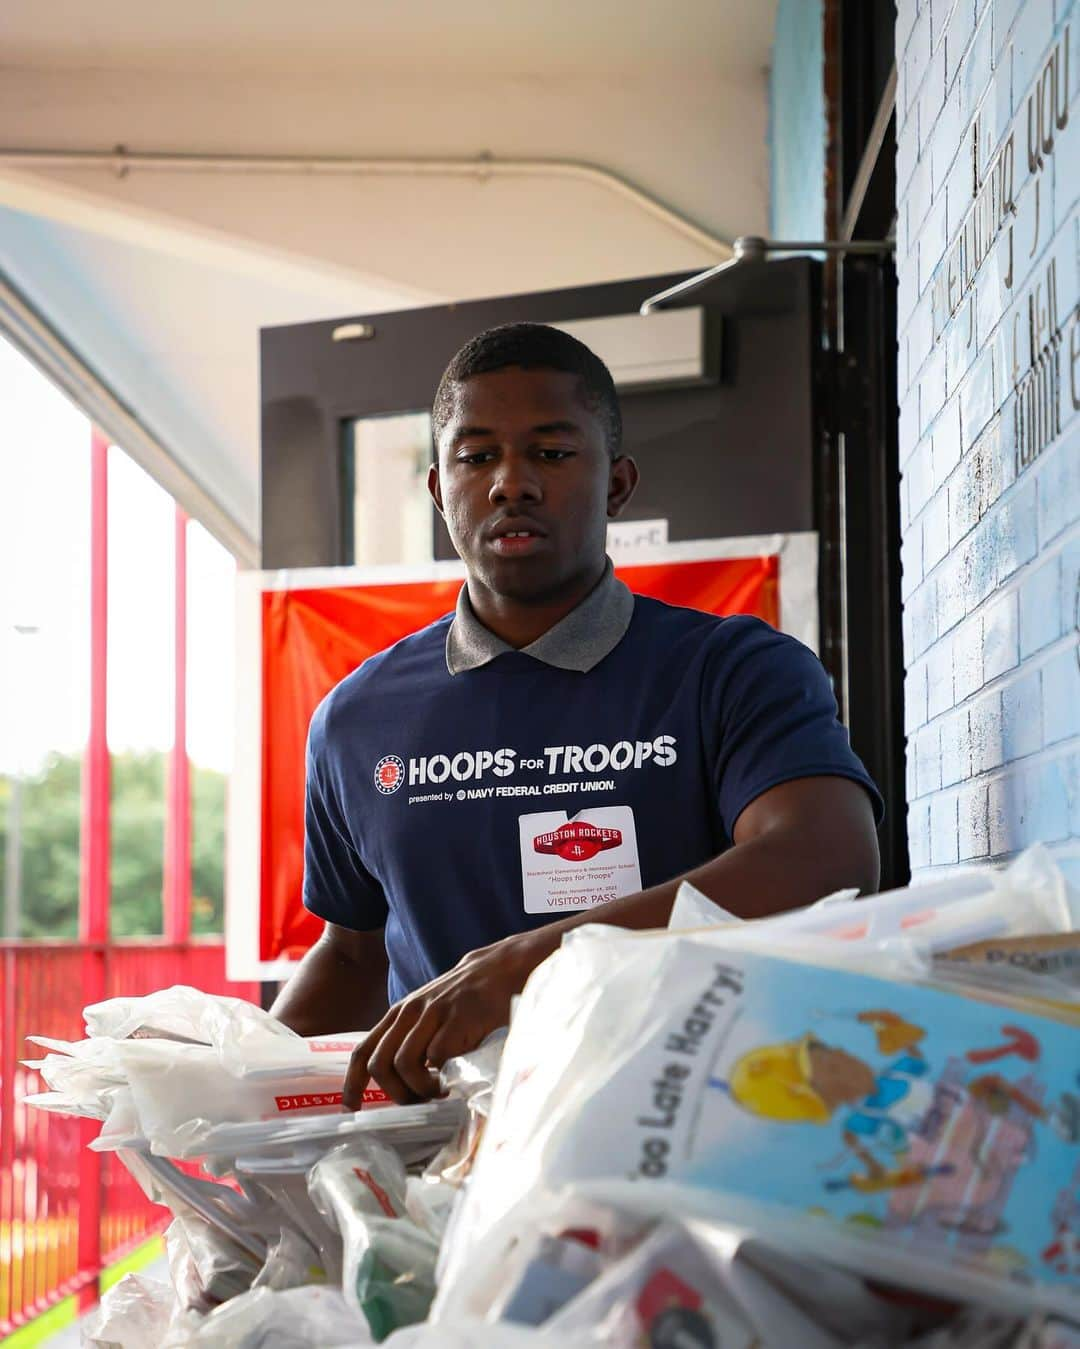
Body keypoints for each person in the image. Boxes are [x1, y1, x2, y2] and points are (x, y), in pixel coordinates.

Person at [271, 322, 882, 1105]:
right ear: (437, 488)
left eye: (552, 453)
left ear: (618, 483)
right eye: (477, 455)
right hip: (440, 1177)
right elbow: (354, 958)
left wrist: (530, 966)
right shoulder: (357, 719)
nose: (511, 483)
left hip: (686, 1133)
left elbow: (825, 857)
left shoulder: (730, 669)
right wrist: (232, 1086)